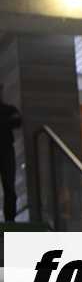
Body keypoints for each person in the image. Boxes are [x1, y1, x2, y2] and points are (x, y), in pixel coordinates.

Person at [0, 85, 21, 222]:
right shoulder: (9, 111)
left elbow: (17, 121)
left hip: (6, 150)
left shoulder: (9, 109)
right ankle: (10, 220)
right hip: (6, 149)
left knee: (9, 187)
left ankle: (10, 220)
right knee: (9, 186)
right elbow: (15, 121)